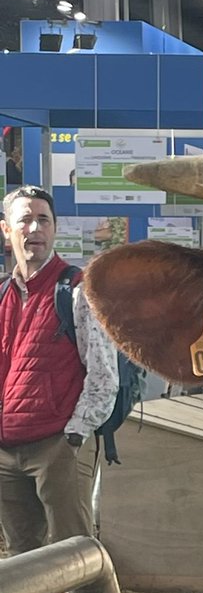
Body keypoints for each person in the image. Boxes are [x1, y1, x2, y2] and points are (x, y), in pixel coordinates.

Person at [0, 185, 118, 554]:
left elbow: (103, 375)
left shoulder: (77, 291)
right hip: (6, 450)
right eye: (25, 220)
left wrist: (74, 436)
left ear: (55, 228)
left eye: (44, 220)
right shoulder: (3, 295)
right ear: (7, 230)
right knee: (23, 564)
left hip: (57, 446)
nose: (35, 229)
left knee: (74, 555)